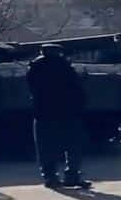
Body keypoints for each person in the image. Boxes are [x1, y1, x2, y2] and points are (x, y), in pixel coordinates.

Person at [26, 44, 92, 188]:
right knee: (73, 145)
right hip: (69, 112)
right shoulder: (65, 66)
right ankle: (72, 175)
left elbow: (32, 88)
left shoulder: (35, 67)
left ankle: (50, 178)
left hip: (44, 112)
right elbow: (77, 89)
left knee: (46, 147)